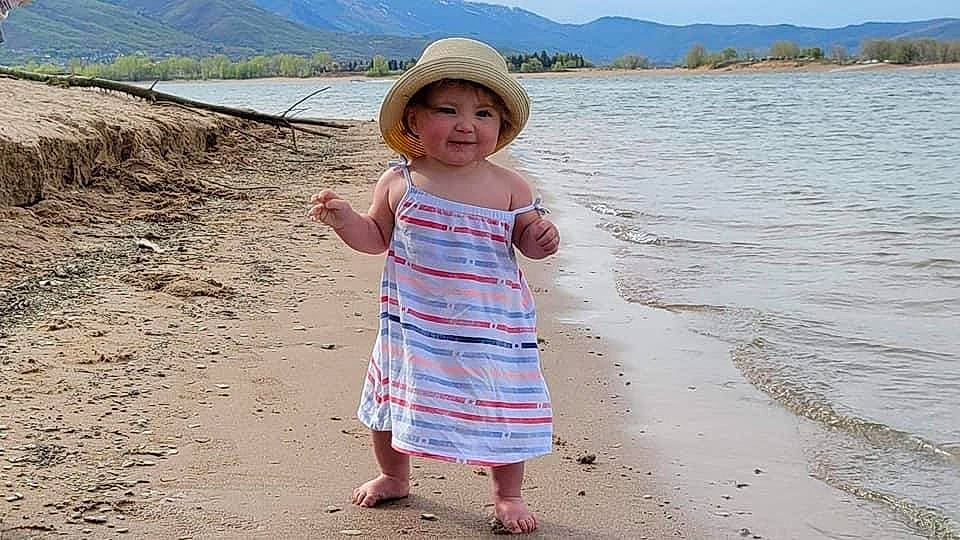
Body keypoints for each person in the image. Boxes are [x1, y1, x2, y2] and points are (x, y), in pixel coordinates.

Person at [308, 37, 559, 535]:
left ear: (501, 127)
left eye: (485, 114)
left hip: (491, 326)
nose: (468, 124)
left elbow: (528, 242)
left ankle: (507, 494)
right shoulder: (400, 180)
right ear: (414, 122)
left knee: (500, 405)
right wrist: (344, 220)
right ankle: (392, 474)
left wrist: (542, 238)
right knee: (390, 398)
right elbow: (376, 236)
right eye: (449, 110)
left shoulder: (511, 186)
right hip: (414, 325)